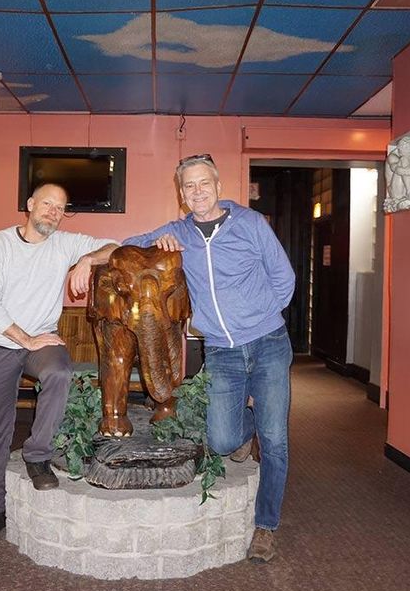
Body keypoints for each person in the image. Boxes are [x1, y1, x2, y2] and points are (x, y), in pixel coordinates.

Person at [123, 153, 295, 563]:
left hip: (268, 342)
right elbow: (125, 245)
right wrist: (84, 261)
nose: (197, 192)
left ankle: (266, 526)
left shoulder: (251, 224)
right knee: (220, 439)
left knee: (276, 441)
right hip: (221, 350)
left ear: (218, 186)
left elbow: (283, 278)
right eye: (188, 186)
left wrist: (260, 317)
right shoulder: (177, 232)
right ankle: (246, 427)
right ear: (180, 194)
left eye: (204, 183)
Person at [0, 182, 117, 539]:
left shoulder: (65, 243)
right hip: (0, 343)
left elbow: (116, 248)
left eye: (61, 207)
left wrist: (86, 259)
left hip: (42, 344)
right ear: (29, 205)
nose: (53, 212)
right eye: (47, 204)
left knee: (59, 371)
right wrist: (27, 338)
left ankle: (37, 454)